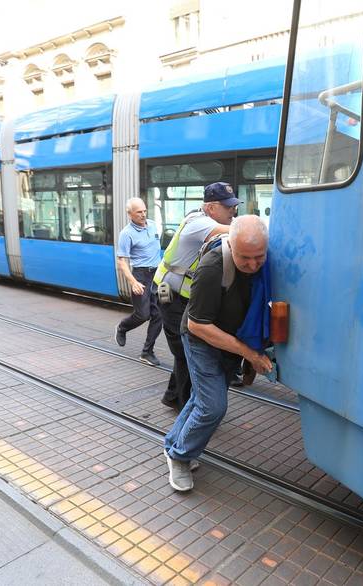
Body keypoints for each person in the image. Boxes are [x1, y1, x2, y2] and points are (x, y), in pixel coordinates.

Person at [163, 215, 273, 492]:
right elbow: (197, 325)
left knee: (203, 399)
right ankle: (180, 456)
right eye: (244, 258)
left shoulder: (264, 262)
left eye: (259, 257)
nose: (252, 265)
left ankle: (172, 444)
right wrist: (250, 353)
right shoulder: (213, 266)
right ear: (231, 247)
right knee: (213, 406)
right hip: (203, 338)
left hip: (229, 338)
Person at [153, 182, 238, 410]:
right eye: (228, 207)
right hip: (168, 295)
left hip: (182, 297)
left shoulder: (208, 220)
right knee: (185, 352)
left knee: (185, 351)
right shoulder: (199, 223)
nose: (233, 211)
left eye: (234, 206)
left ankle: (173, 396)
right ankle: (184, 405)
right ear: (211, 208)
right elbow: (239, 231)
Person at [114, 197, 163, 366]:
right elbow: (122, 261)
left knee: (159, 315)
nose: (143, 215)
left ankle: (147, 352)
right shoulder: (126, 233)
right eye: (138, 212)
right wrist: (133, 282)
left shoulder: (153, 225)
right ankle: (122, 327)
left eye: (144, 211)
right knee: (143, 314)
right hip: (140, 276)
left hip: (157, 275)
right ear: (130, 214)